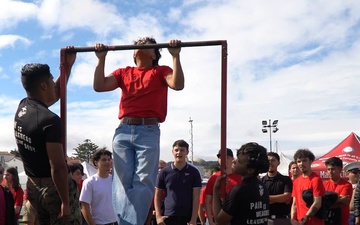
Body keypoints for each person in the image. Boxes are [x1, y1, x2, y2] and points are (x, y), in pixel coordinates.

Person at [93, 37, 184, 225]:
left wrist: (175, 57)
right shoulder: (124, 72)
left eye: (147, 43)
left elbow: (177, 84)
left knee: (143, 181)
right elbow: (99, 85)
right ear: (134, 53)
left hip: (148, 129)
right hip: (124, 129)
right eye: (139, 43)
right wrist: (101, 59)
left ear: (154, 54)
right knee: (121, 183)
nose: (141, 44)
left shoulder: (160, 71)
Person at [14, 48, 81, 225]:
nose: (54, 83)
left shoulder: (23, 108)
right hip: (54, 189)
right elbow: (58, 167)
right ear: (43, 85)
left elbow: (55, 93)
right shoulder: (50, 120)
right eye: (51, 79)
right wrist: (66, 203)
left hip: (33, 187)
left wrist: (67, 67)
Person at [212, 142, 270, 225]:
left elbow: (219, 221)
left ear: (250, 170)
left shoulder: (239, 190)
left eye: (239, 161)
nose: (233, 161)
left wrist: (215, 190)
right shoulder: (262, 187)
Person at [155, 140, 202, 225]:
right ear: (172, 152)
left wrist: (193, 219)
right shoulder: (164, 172)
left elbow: (196, 197)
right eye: (176, 150)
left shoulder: (194, 172)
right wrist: (158, 216)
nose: (179, 153)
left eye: (182, 150)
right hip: (168, 216)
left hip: (187, 217)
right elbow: (157, 195)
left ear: (187, 152)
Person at [204, 148, 242, 225]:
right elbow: (207, 200)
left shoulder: (240, 176)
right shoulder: (214, 177)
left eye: (227, 157)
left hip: (236, 218)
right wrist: (210, 220)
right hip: (217, 216)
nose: (224, 160)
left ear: (232, 159)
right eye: (221, 158)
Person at [79, 149, 117, 225]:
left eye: (109, 160)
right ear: (96, 163)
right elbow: (84, 207)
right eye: (104, 160)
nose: (107, 162)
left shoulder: (115, 181)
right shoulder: (89, 182)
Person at [291, 148, 325, 225]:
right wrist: (292, 219)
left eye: (304, 160)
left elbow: (317, 203)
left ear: (310, 161)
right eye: (299, 161)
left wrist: (305, 218)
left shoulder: (316, 180)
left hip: (314, 222)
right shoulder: (296, 181)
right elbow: (294, 203)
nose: (301, 163)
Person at [260, 152, 292, 225]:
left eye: (273, 160)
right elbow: (259, 200)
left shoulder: (285, 180)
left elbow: (287, 198)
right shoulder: (261, 181)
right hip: (264, 219)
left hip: (282, 219)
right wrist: (279, 199)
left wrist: (266, 198)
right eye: (268, 161)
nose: (270, 163)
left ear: (278, 163)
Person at [322, 157, 352, 225]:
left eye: (333, 169)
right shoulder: (323, 185)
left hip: (342, 221)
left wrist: (326, 203)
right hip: (326, 220)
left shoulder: (346, 185)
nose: (330, 172)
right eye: (328, 169)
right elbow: (321, 202)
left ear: (340, 169)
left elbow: (344, 202)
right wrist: (339, 199)